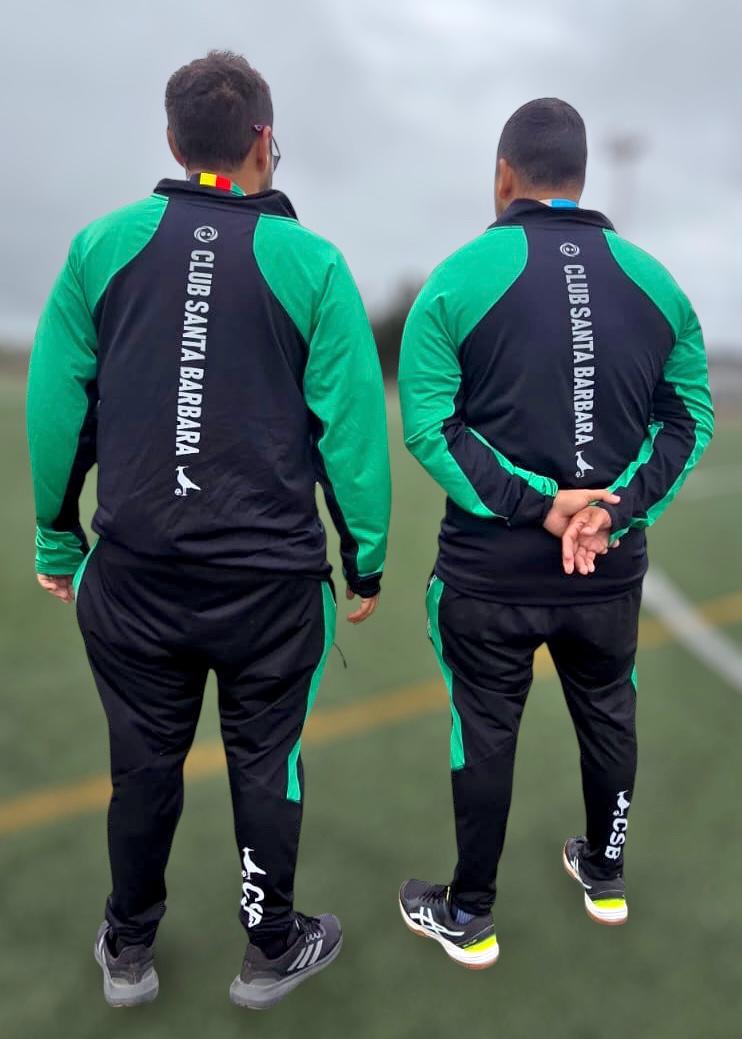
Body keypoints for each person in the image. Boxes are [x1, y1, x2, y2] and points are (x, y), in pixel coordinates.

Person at [26, 50, 391, 1009]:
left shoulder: (101, 246)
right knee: (266, 763)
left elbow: (57, 409)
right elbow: (352, 429)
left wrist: (57, 539)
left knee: (142, 764)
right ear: (265, 140)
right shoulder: (312, 262)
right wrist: (366, 562)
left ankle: (128, 947)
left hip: (135, 582)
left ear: (173, 141)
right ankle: (271, 948)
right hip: (270, 591)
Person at [397, 98, 713, 969]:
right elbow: (689, 419)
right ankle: (605, 875)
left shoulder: (457, 278)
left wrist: (542, 504)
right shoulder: (657, 283)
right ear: (582, 174)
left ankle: (471, 914)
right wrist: (609, 508)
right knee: (610, 712)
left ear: (504, 175)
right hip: (605, 569)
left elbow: (430, 425)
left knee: (485, 729)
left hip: (488, 578)